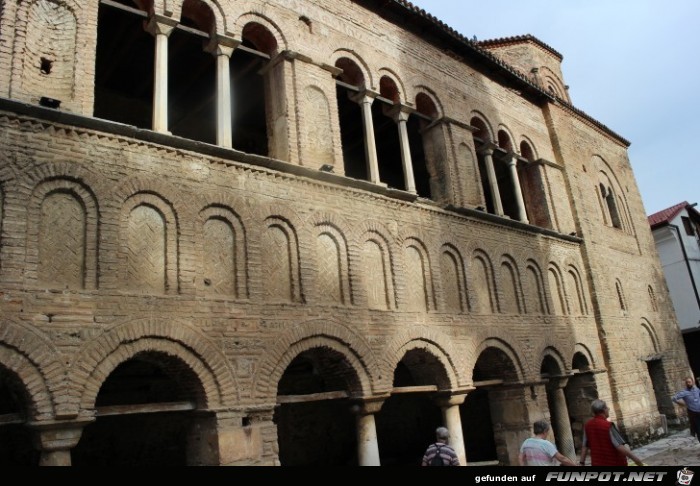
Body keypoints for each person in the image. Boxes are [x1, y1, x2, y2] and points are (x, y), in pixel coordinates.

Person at [579, 399, 644, 466]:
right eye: (607, 408)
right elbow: (620, 447)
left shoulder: (587, 425)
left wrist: (581, 462)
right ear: (604, 410)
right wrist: (637, 461)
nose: (608, 410)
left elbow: (585, 446)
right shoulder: (608, 426)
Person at [672, 376, 700, 443]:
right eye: (687, 382)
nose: (688, 383)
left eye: (689, 382)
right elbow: (674, 398)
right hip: (693, 414)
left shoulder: (697, 390)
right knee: (699, 430)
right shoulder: (684, 392)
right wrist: (682, 404)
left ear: (692, 382)